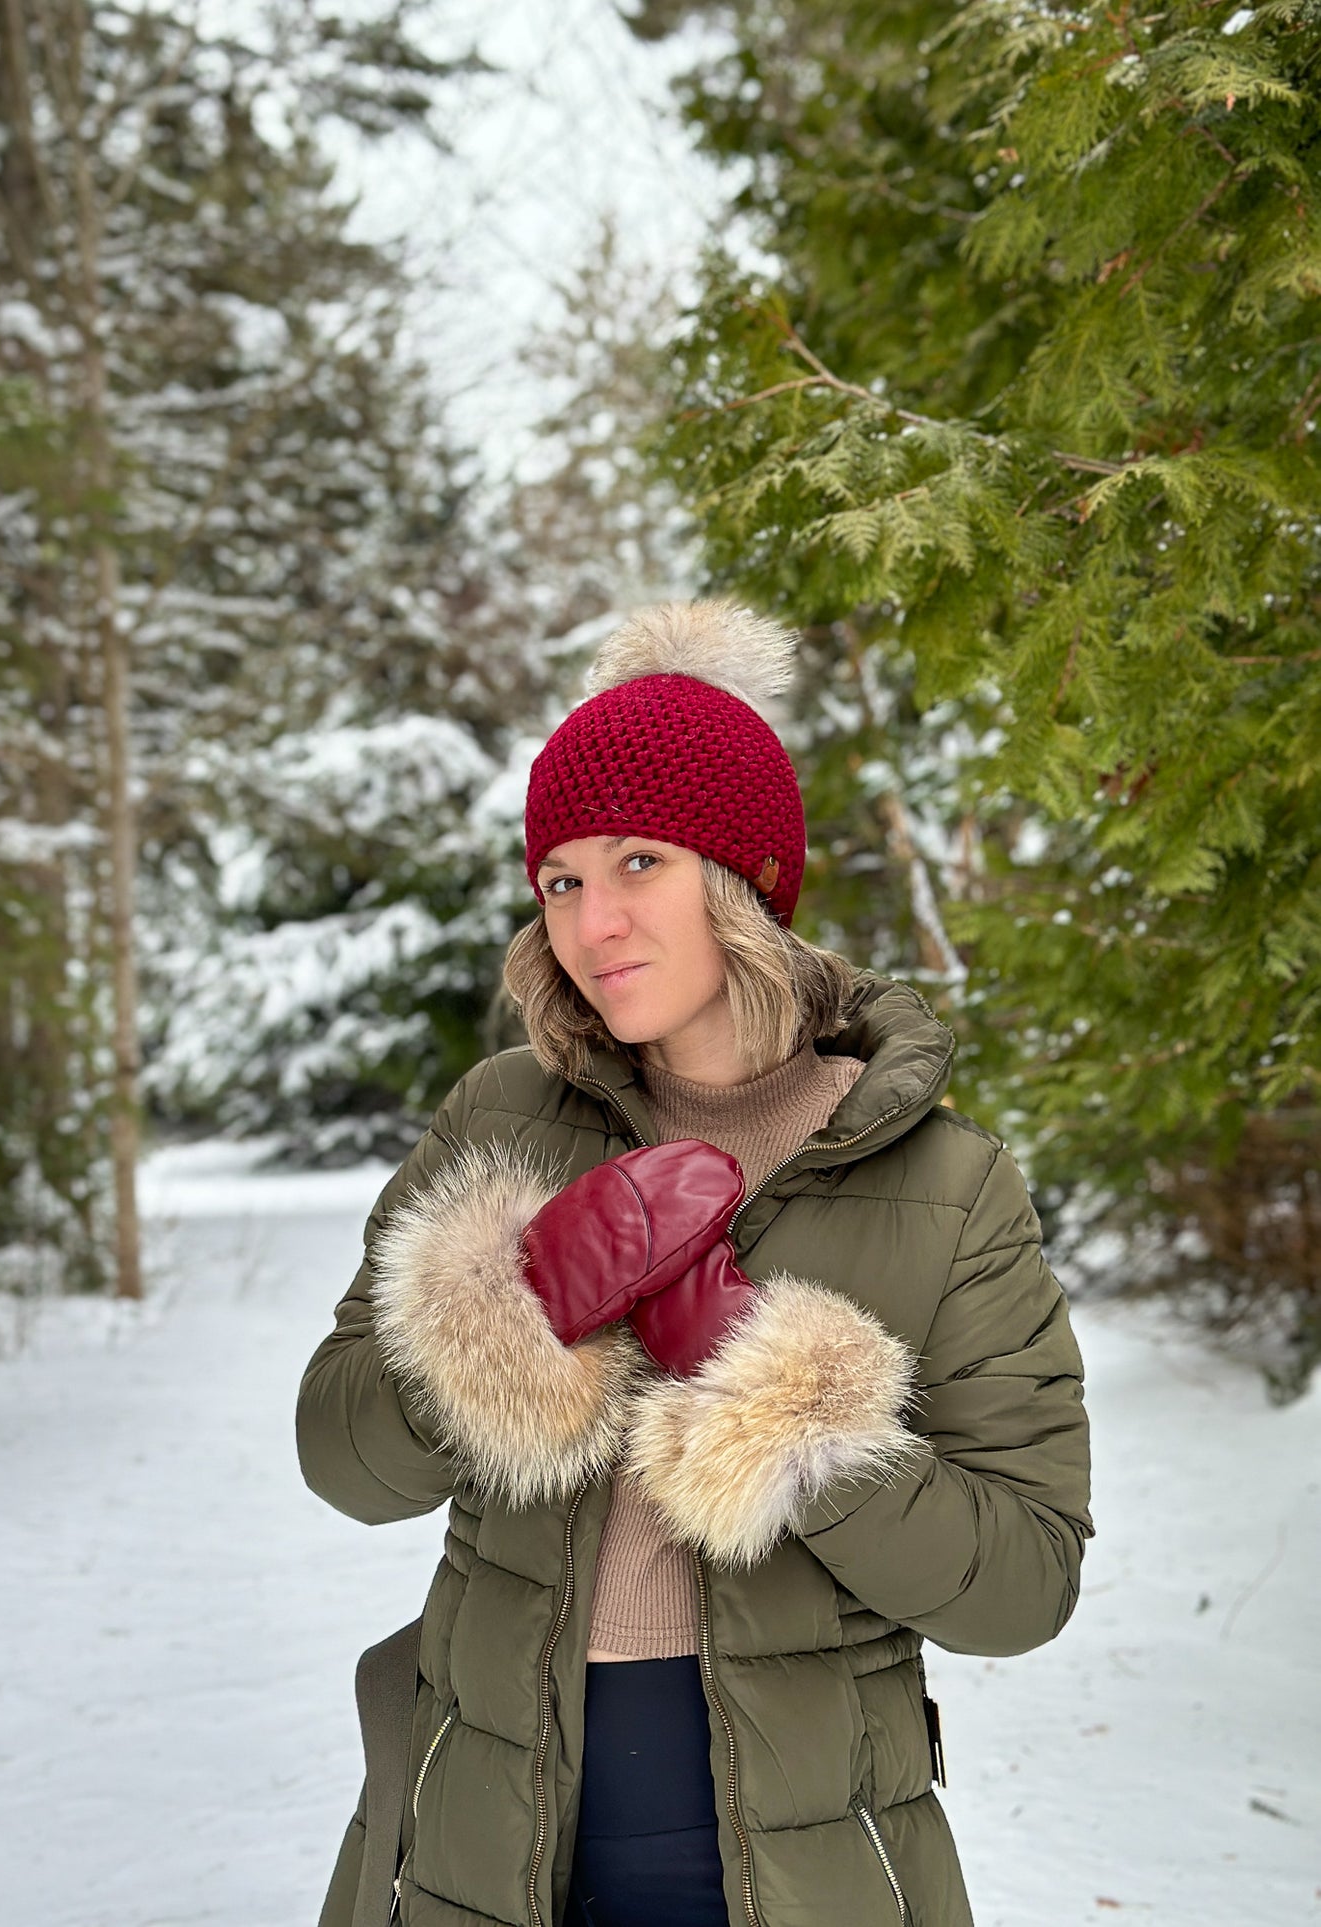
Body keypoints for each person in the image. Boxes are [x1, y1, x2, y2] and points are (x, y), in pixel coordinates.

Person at [296, 599, 1095, 1927]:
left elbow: (1020, 1586)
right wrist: (515, 1309)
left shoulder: (946, 1185)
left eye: (637, 863)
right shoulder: (502, 1118)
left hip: (800, 1859)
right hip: (485, 1831)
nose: (590, 922)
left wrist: (779, 1405)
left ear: (744, 880)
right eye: (558, 879)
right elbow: (341, 1458)